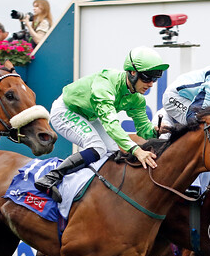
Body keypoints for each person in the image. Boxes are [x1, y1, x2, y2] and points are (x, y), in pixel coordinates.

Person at [34, 46, 169, 202]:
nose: (151, 84)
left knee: (112, 151)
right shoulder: (106, 83)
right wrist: (137, 151)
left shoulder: (137, 99)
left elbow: (143, 129)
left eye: (155, 79)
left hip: (88, 116)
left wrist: (155, 131)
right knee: (97, 147)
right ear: (132, 72)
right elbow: (111, 123)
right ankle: (51, 178)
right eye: (147, 78)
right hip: (65, 111)